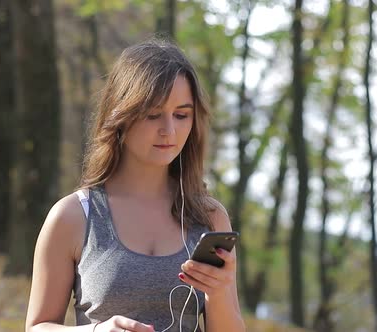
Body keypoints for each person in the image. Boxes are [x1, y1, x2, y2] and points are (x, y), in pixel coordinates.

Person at [25, 39, 246, 332]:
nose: (169, 130)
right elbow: (37, 327)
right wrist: (95, 331)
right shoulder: (73, 216)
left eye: (181, 115)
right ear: (121, 115)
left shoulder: (209, 217)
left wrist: (218, 292)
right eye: (153, 114)